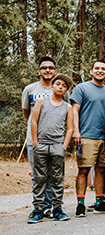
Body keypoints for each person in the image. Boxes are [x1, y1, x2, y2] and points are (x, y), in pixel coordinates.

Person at [27, 74, 74, 223]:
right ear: (52, 86)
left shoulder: (68, 107)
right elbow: (33, 121)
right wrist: (35, 143)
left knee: (57, 178)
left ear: (66, 90)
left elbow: (70, 129)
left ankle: (57, 209)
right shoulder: (41, 101)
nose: (60, 87)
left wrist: (63, 147)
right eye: (58, 84)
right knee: (39, 178)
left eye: (64, 86)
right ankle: (38, 210)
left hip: (57, 147)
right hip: (41, 145)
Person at [71, 60, 105, 217]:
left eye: (103, 69)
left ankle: (99, 203)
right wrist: (76, 131)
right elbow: (74, 110)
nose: (100, 71)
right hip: (87, 136)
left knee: (101, 171)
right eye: (97, 68)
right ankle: (80, 204)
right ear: (91, 71)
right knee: (83, 170)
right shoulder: (82, 88)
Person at [22, 56, 59, 218]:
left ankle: (48, 207)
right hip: (34, 140)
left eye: (50, 67)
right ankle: (38, 207)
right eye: (44, 67)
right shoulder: (30, 90)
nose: (48, 70)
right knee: (38, 175)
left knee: (52, 175)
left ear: (55, 71)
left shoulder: (59, 89)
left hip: (55, 140)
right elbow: (27, 113)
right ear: (39, 71)